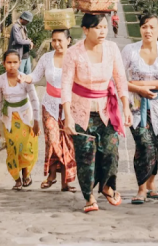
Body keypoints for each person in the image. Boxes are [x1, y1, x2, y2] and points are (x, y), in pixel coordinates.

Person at [61, 13, 130, 213]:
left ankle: (107, 186)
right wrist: (68, 116)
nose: (102, 32)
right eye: (97, 27)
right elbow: (65, 86)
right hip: (80, 111)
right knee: (85, 156)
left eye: (104, 27)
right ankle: (89, 197)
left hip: (107, 110)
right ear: (85, 30)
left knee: (110, 151)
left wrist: (125, 106)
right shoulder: (73, 53)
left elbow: (120, 79)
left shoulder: (112, 48)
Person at [120, 13, 158, 204]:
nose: (148, 30)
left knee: (156, 145)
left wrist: (146, 85)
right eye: (144, 26)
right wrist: (137, 88)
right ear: (140, 29)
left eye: (152, 27)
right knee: (144, 144)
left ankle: (152, 183)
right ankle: (141, 188)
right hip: (136, 105)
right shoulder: (130, 50)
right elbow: (118, 78)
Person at [23, 29, 77, 191]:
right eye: (54, 40)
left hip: (70, 106)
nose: (57, 44)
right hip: (50, 104)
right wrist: (25, 77)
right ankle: (52, 175)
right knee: (52, 140)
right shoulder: (47, 58)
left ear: (69, 40)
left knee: (67, 143)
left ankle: (65, 182)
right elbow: (35, 76)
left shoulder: (75, 58)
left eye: (60, 40)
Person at [0, 50, 41, 189]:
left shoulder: (25, 79)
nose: (12, 66)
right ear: (4, 64)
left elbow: (34, 99)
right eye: (9, 62)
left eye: (15, 62)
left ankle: (26, 173)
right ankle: (17, 179)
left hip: (25, 118)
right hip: (9, 119)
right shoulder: (0, 81)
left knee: (26, 147)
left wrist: (37, 122)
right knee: (13, 149)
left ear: (20, 63)